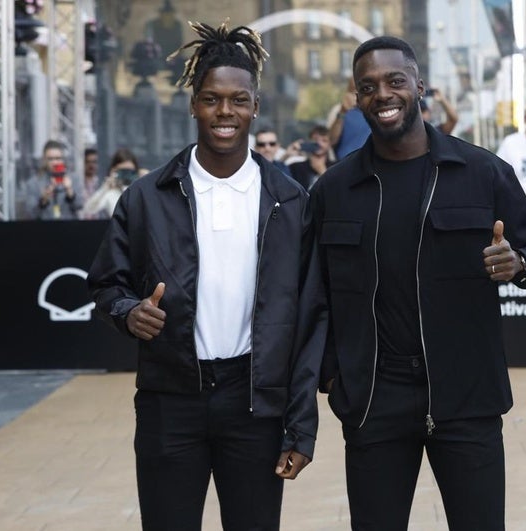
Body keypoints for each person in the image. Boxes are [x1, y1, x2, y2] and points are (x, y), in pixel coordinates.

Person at [86, 21, 327, 531]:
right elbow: (106, 285)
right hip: (170, 401)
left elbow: (310, 320)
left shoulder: (289, 201)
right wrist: (129, 313)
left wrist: (300, 426)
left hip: (255, 403)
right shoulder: (146, 198)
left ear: (255, 107)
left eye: (238, 100)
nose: (225, 112)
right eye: (212, 99)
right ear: (193, 103)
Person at [310, 35, 526, 530]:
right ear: (358, 99)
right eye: (368, 86)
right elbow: (314, 294)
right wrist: (333, 377)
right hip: (375, 400)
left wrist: (519, 263)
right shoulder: (334, 190)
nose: (383, 94)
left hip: (466, 395)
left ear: (419, 86)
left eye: (395, 81)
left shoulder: (483, 171)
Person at [23, 139, 84, 220]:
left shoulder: (74, 179)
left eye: (58, 158)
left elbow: (79, 206)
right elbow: (31, 214)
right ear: (44, 159)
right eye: (50, 159)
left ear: (63, 159)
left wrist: (69, 191)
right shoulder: (34, 183)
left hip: (69, 229)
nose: (55, 163)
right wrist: (43, 200)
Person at [82, 148, 142, 219]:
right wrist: (105, 187)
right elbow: (88, 210)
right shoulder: (110, 193)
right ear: (114, 170)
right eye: (123, 172)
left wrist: (145, 181)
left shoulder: (140, 190)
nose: (127, 175)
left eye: (130, 172)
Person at [328, 77, 371, 159]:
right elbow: (331, 140)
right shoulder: (339, 110)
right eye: (354, 90)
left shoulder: (376, 109)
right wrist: (342, 111)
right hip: (347, 164)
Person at [288, 124, 335, 190]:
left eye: (324, 140)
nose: (319, 144)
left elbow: (337, 189)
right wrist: (286, 155)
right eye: (315, 140)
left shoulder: (336, 167)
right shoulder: (296, 167)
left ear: (329, 144)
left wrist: (322, 171)